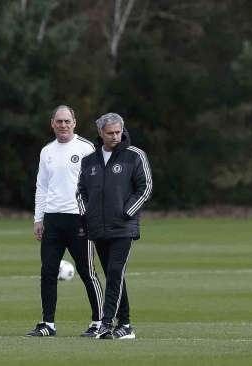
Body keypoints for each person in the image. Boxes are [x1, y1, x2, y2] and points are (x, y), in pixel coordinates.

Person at [26, 105, 104, 337]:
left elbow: (97, 185)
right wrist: (38, 219)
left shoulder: (86, 148)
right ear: (52, 124)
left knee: (87, 271)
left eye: (67, 121)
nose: (63, 125)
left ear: (74, 122)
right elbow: (42, 186)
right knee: (48, 271)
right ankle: (48, 324)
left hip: (79, 219)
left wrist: (93, 214)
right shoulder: (47, 151)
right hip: (53, 219)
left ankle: (99, 322)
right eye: (59, 121)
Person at [76, 112, 153, 340]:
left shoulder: (134, 156)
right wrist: (87, 214)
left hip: (123, 228)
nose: (115, 136)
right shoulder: (89, 160)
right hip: (98, 227)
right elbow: (81, 191)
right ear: (101, 133)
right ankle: (126, 325)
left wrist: (126, 212)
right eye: (110, 133)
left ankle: (106, 323)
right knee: (114, 275)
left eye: (118, 132)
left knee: (114, 273)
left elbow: (145, 187)